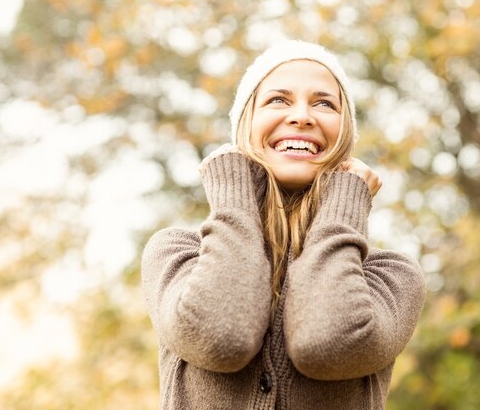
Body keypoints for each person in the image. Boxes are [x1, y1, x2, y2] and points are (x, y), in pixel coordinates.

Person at [141, 40, 426, 410]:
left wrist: (344, 204)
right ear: (245, 125)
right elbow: (221, 338)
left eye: (325, 103)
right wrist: (233, 196)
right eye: (278, 100)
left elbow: (326, 345)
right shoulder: (178, 254)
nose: (302, 116)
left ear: (345, 135)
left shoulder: (389, 277)